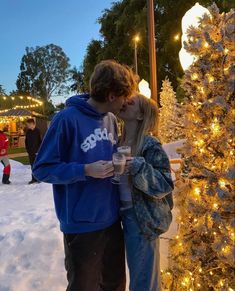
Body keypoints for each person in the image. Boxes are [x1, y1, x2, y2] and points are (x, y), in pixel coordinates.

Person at [33, 60, 136, 291]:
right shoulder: (65, 119)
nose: (126, 101)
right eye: (123, 96)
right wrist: (85, 170)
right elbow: (41, 168)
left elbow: (106, 156)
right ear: (111, 95)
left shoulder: (111, 120)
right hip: (81, 227)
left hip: (112, 221)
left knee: (116, 285)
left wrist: (120, 162)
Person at [118, 94, 174, 291]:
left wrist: (140, 168)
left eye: (130, 102)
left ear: (140, 115)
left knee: (143, 281)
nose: (123, 102)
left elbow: (165, 184)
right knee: (137, 276)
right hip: (118, 217)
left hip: (140, 219)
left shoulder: (150, 145)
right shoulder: (117, 142)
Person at [25, 118, 42, 184]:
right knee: (32, 166)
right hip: (30, 152)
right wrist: (27, 149)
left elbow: (40, 142)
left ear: (32, 124)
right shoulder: (28, 131)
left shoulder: (38, 131)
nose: (27, 126)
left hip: (37, 152)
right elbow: (26, 141)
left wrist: (38, 151)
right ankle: (33, 178)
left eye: (28, 124)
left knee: (37, 165)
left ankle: (38, 178)